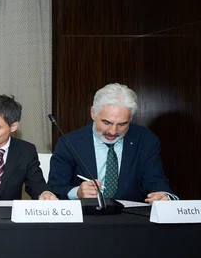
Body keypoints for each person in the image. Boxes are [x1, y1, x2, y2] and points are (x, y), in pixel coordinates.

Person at [48, 83, 176, 203]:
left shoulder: (146, 141)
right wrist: (77, 192)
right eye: (107, 122)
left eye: (122, 124)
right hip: (87, 218)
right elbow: (55, 189)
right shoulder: (69, 143)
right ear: (93, 113)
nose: (113, 131)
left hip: (131, 219)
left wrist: (164, 196)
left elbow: (156, 181)